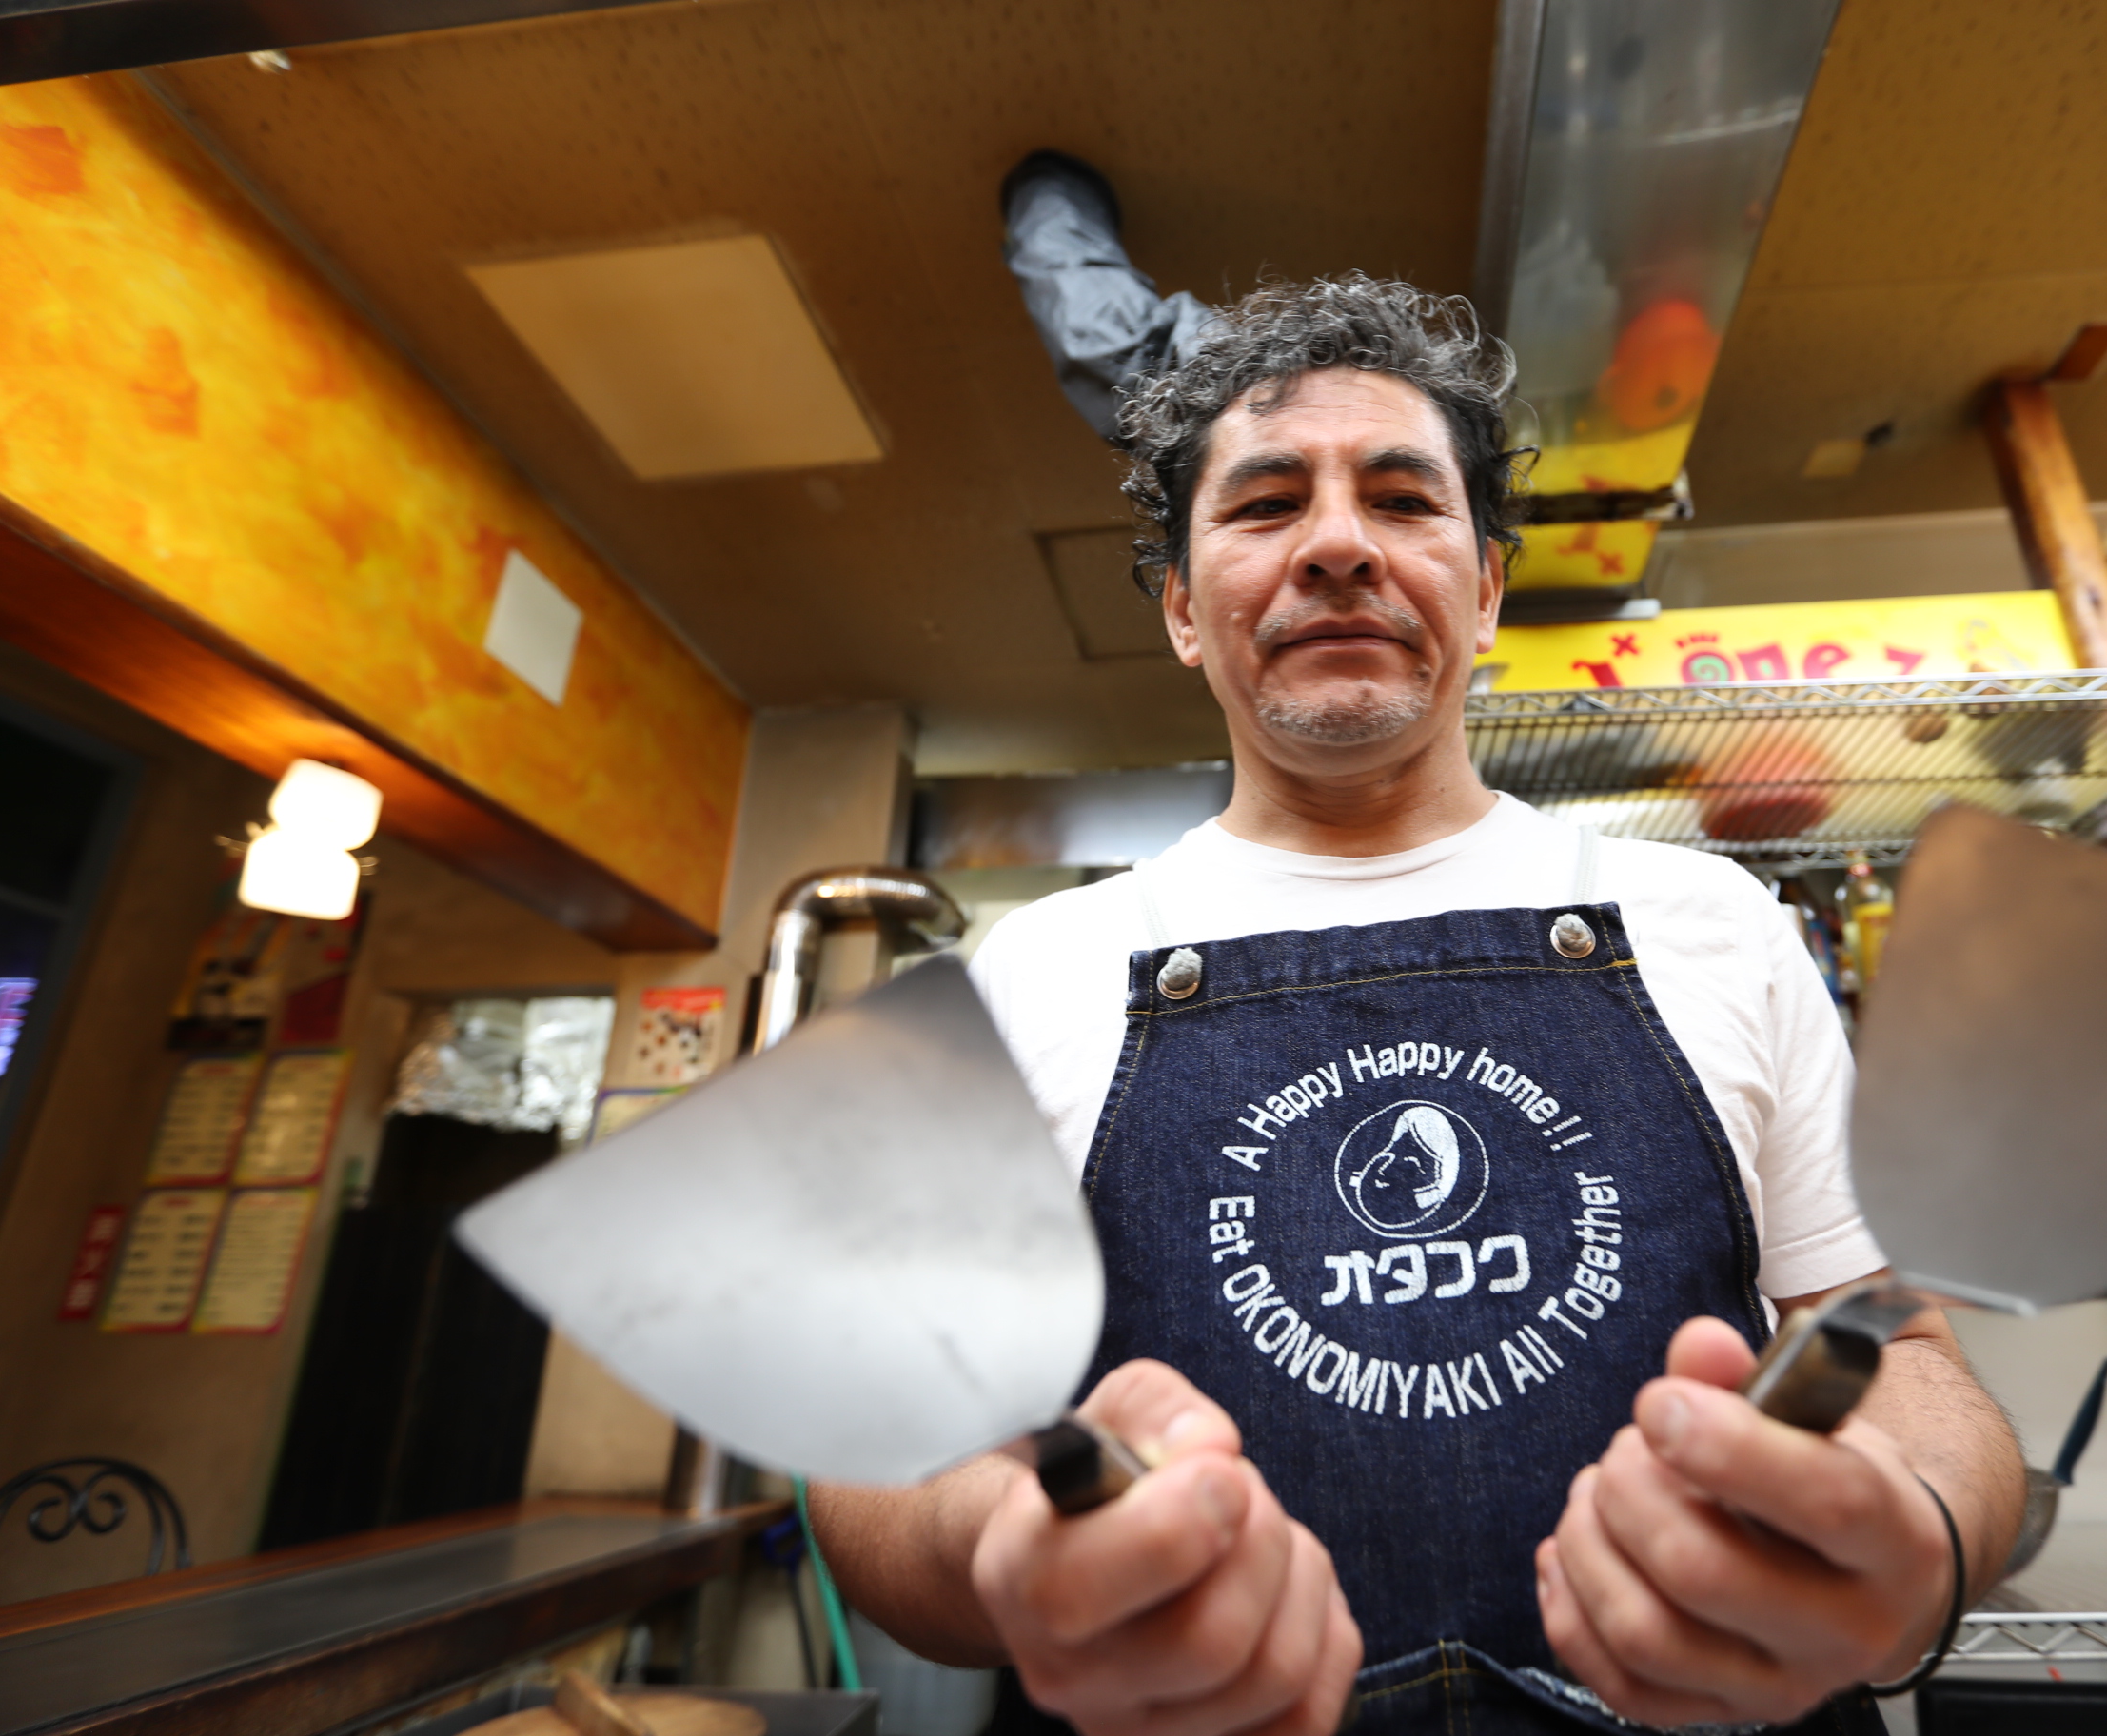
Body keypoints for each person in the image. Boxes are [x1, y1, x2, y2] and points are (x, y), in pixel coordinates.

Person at [807, 238, 2024, 1734]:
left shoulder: (1713, 921)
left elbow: (1890, 1341)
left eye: (1401, 498)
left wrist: (1918, 1529)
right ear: (1183, 609)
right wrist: (1004, 1549)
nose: (1338, 544)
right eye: (1266, 504)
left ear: (1487, 589)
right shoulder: (1033, 974)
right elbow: (888, 1449)